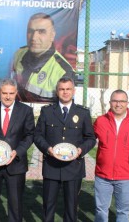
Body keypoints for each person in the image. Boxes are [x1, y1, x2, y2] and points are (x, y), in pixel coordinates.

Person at [34, 76, 96, 222]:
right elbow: (37, 135)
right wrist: (48, 149)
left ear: (73, 91)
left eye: (68, 89)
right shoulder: (47, 111)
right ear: (57, 91)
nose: (65, 92)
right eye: (62, 89)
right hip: (51, 166)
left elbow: (91, 138)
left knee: (71, 208)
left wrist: (80, 150)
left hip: (73, 167)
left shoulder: (82, 113)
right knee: (48, 207)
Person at [0, 78, 35, 222]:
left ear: (16, 93)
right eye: (4, 93)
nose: (8, 96)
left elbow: (29, 136)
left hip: (15, 164)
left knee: (15, 206)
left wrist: (18, 151)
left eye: (11, 93)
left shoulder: (26, 111)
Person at [92, 89, 129, 222]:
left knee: (123, 211)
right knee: (101, 210)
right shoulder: (100, 121)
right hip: (102, 176)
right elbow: (87, 141)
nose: (118, 104)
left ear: (127, 103)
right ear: (110, 102)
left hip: (125, 176)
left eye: (122, 101)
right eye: (115, 101)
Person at [11, 12, 75, 102]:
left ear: (52, 35)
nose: (34, 37)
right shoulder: (18, 54)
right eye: (30, 31)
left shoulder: (63, 70)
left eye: (41, 31)